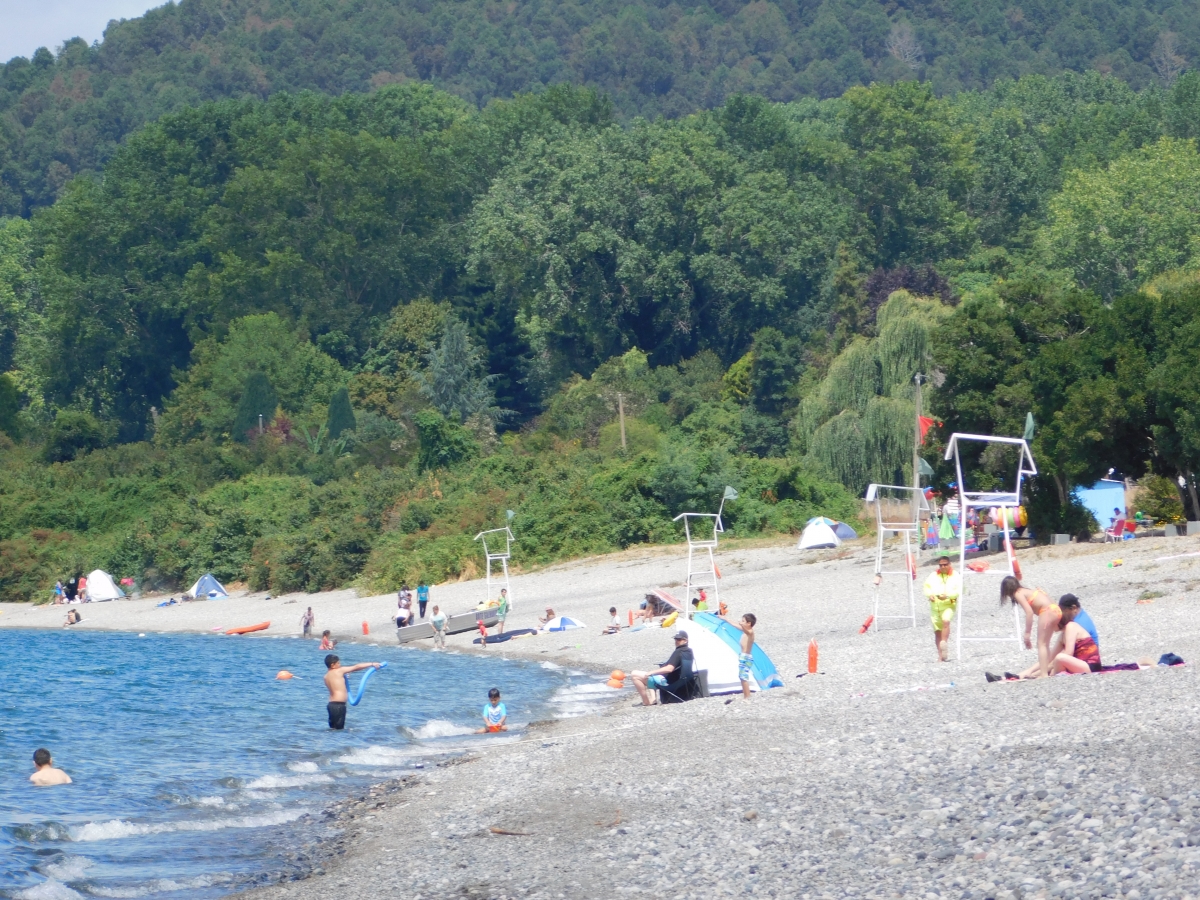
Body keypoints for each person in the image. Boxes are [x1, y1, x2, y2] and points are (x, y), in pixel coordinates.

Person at [1000, 575, 1061, 678]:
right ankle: (1045, 671)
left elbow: (1029, 612)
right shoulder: (1026, 590)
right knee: (1046, 644)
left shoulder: (1017, 593)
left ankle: (1043, 674)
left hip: (1046, 612)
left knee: (1041, 644)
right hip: (1056, 609)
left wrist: (1027, 633)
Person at [630, 631, 695, 706]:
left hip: (668, 682)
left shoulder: (678, 652)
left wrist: (652, 672)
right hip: (682, 681)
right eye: (676, 639)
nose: (676, 641)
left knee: (634, 675)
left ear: (685, 640)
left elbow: (669, 669)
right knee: (652, 673)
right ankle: (653, 699)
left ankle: (646, 702)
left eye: (679, 639)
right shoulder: (688, 651)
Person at [323, 654, 381, 730]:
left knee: (332, 729)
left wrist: (344, 676)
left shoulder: (326, 676)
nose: (340, 665)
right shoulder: (339, 671)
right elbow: (356, 667)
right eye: (338, 663)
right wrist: (372, 664)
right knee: (339, 730)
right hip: (339, 706)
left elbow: (336, 684)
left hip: (331, 705)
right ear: (332, 665)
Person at [1046, 595, 1101, 675]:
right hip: (1080, 662)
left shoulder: (1071, 626)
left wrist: (1047, 668)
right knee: (1055, 664)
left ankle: (1047, 675)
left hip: (1090, 665)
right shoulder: (1063, 634)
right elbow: (1050, 658)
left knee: (1059, 658)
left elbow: (1068, 653)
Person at [923, 556, 961, 662]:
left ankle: (943, 643)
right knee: (937, 631)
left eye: (945, 564)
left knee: (946, 621)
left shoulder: (955, 575)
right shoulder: (933, 575)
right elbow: (926, 587)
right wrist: (929, 595)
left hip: (949, 605)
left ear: (949, 564)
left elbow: (959, 590)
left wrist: (948, 596)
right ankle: (940, 656)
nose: (943, 567)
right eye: (941, 565)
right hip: (935, 606)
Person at [722, 612, 757, 700]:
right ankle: (746, 695)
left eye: (743, 621)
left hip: (746, 657)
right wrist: (726, 619)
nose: (741, 622)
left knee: (743, 677)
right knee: (742, 677)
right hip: (743, 656)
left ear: (749, 623)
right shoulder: (745, 630)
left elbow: (745, 630)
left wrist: (742, 625)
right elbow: (736, 625)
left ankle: (747, 696)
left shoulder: (750, 632)